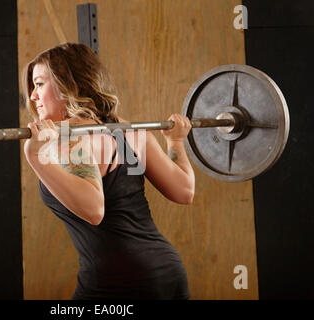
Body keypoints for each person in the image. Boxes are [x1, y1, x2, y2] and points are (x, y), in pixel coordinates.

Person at [22, 43, 195, 300]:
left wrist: (35, 157)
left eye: (39, 84)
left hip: (119, 282)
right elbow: (184, 190)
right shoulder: (130, 129)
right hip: (167, 272)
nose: (33, 96)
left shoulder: (70, 136)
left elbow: (94, 210)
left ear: (68, 86)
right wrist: (176, 142)